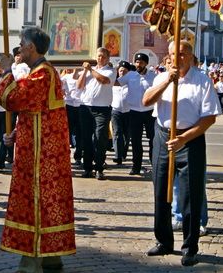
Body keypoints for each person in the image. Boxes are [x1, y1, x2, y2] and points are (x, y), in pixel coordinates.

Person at [0, 27, 75, 273]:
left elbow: (12, 98)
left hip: (40, 155)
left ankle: (31, 265)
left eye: (22, 44)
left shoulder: (42, 74)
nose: (19, 48)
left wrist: (8, 71)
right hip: (41, 147)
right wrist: (18, 132)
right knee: (48, 201)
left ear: (31, 47)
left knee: (34, 200)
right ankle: (50, 256)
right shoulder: (44, 72)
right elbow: (37, 112)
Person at [142, 40, 219, 267]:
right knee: (160, 191)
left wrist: (184, 138)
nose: (178, 58)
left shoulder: (202, 81)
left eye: (183, 54)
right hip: (163, 135)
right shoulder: (161, 78)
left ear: (191, 56)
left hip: (190, 139)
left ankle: (190, 247)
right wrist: (168, 80)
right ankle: (163, 241)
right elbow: (146, 101)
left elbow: (209, 118)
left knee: (190, 195)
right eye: (174, 54)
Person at [77, 47, 116, 180]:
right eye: (99, 56)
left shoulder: (111, 70)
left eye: (103, 56)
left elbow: (104, 80)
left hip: (102, 109)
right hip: (85, 107)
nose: (100, 58)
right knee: (86, 139)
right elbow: (79, 86)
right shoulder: (88, 70)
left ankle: (99, 167)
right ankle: (87, 168)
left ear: (108, 58)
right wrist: (84, 71)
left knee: (100, 138)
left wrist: (90, 70)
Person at [116, 52, 157, 175]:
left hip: (149, 112)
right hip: (134, 112)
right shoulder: (130, 75)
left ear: (146, 63)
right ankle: (136, 166)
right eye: (137, 62)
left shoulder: (153, 76)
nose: (139, 64)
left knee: (153, 140)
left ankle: (154, 165)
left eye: (141, 62)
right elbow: (116, 82)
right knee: (135, 140)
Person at [61, 68, 83, 166]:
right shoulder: (66, 77)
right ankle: (65, 157)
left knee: (79, 133)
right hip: (69, 106)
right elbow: (60, 88)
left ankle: (78, 156)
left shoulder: (84, 74)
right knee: (67, 133)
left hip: (81, 106)